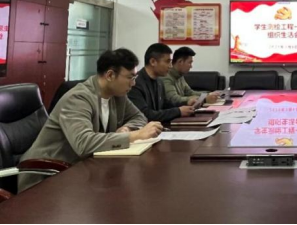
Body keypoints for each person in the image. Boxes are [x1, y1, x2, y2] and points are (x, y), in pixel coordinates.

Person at [19, 49, 162, 192]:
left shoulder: (117, 95)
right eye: (130, 77)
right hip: (48, 175)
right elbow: (84, 143)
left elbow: (139, 117)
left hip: (82, 169)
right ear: (110, 75)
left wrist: (127, 128)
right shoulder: (78, 98)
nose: (133, 83)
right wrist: (134, 135)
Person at [128, 43, 195, 122]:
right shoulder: (135, 83)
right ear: (153, 62)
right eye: (167, 62)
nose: (170, 66)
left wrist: (187, 102)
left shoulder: (159, 81)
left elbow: (165, 105)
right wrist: (178, 111)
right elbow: (145, 115)